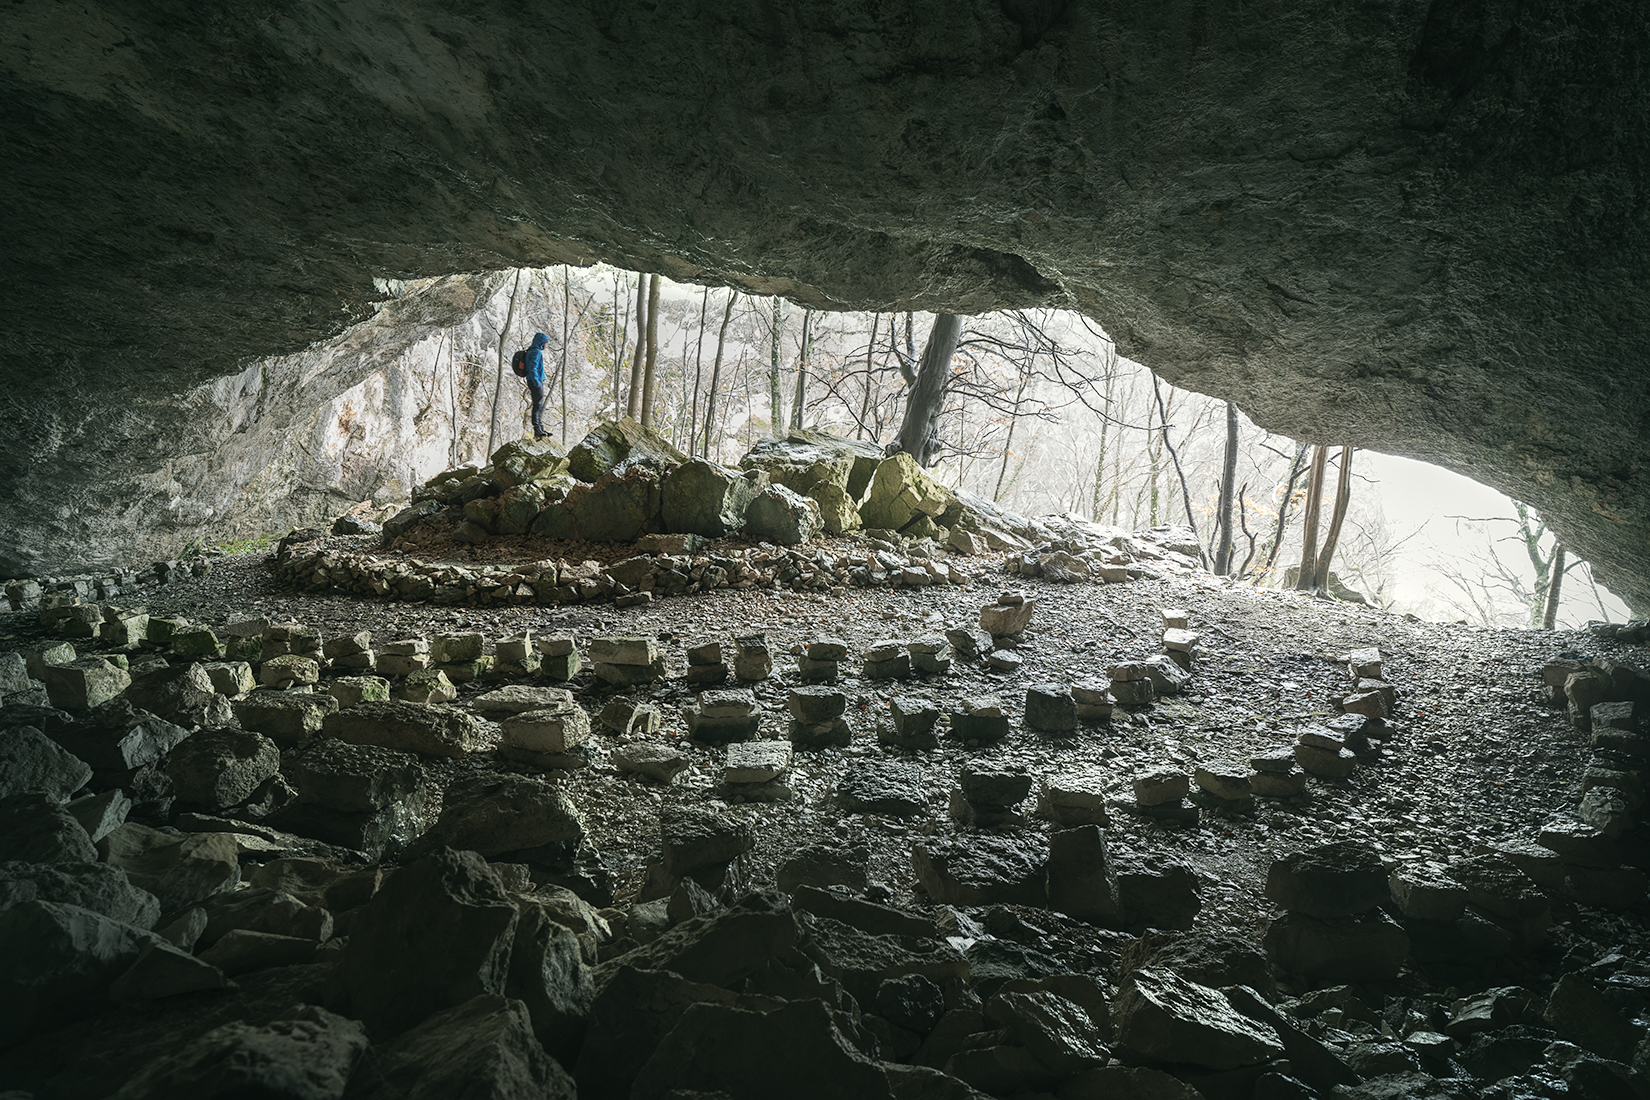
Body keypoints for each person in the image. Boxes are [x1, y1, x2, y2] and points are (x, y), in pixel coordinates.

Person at [525, 331, 551, 439]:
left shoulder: (530, 350)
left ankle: (540, 428)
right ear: (541, 342)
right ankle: (537, 429)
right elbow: (533, 368)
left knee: (538, 404)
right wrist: (537, 383)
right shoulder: (536, 352)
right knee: (538, 405)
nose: (546, 345)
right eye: (545, 343)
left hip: (532, 380)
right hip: (535, 381)